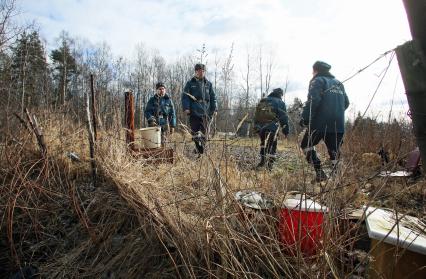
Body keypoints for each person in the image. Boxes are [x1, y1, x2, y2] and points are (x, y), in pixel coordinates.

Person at [300, 61, 350, 182]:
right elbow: (346, 103)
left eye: (313, 70)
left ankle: (319, 172)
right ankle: (337, 179)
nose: (312, 73)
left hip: (320, 123)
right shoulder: (339, 83)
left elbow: (313, 100)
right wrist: (336, 112)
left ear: (316, 70)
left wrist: (305, 118)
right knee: (334, 151)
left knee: (306, 145)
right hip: (338, 124)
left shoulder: (317, 81)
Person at [182, 63, 217, 155]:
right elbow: (185, 96)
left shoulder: (208, 84)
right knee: (195, 133)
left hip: (206, 111)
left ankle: (201, 153)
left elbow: (213, 97)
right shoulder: (190, 83)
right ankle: (199, 149)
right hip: (194, 111)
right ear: (195, 71)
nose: (201, 72)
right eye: (199, 70)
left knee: (204, 133)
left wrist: (215, 109)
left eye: (203, 70)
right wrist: (186, 107)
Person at [253, 88, 289, 170]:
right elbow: (284, 118)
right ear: (280, 94)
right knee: (272, 145)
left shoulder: (263, 100)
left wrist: (256, 126)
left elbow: (256, 115)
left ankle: (262, 162)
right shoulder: (280, 102)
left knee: (263, 144)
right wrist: (286, 131)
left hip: (261, 128)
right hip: (272, 127)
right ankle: (270, 165)